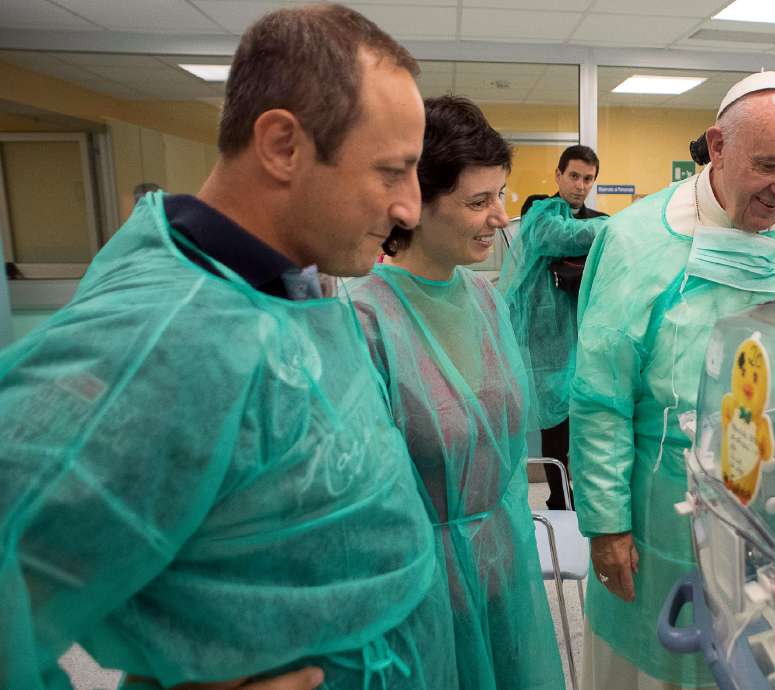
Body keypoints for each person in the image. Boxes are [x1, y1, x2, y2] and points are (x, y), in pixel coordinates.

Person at [0, 5, 458, 690]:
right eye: (392, 172)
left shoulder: (282, 282)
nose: (409, 209)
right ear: (282, 145)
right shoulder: (162, 339)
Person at [570, 71, 775, 689]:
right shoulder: (636, 242)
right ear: (718, 146)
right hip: (664, 510)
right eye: (769, 166)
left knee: (768, 659)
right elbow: (600, 398)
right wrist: (607, 524)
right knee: (663, 663)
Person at [350, 95, 565, 690]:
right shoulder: (364, 320)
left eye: (501, 195)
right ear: (413, 203)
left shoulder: (485, 300)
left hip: (502, 572)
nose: (500, 217)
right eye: (478, 201)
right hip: (417, 592)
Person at [501, 145, 610, 510]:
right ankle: (559, 500)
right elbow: (562, 237)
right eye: (574, 176)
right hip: (546, 340)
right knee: (554, 425)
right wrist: (616, 225)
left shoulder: (595, 219)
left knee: (583, 424)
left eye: (588, 179)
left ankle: (580, 495)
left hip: (584, 336)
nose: (580, 185)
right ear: (559, 175)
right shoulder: (540, 210)